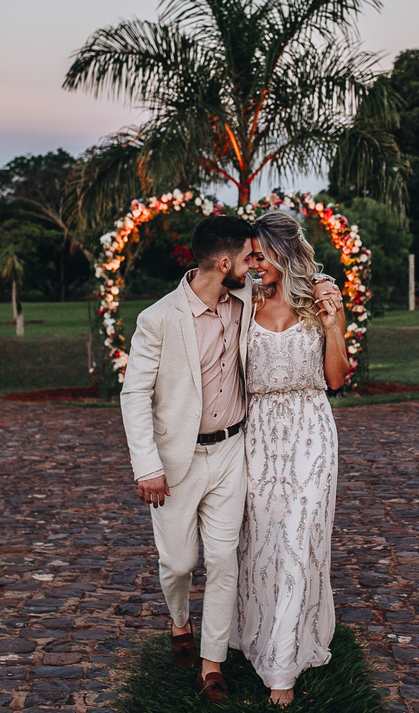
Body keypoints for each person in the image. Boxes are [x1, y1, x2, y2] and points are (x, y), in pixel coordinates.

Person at [120, 215, 257, 704]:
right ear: (224, 263)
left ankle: (211, 664)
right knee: (179, 563)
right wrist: (147, 466)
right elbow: (134, 394)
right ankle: (179, 622)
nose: (253, 265)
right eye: (248, 258)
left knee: (222, 559)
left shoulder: (247, 300)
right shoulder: (157, 318)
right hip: (176, 460)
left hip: (232, 451)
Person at [233, 210, 348, 706]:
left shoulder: (322, 295)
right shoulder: (243, 300)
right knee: (263, 541)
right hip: (258, 435)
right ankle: (260, 632)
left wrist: (332, 325)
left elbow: (337, 378)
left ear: (284, 251)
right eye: (250, 256)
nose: (254, 264)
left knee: (301, 536)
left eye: (261, 255)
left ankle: (282, 668)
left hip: (311, 430)